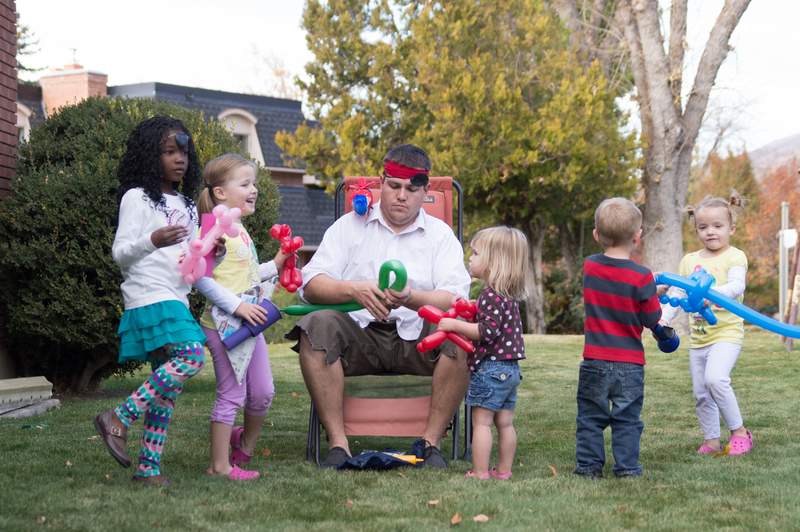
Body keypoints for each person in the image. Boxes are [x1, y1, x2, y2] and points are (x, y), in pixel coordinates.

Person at [285, 144, 472, 469]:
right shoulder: (349, 226)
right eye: (394, 186)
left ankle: (431, 445)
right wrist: (352, 290)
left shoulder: (440, 236)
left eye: (412, 189)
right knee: (314, 325)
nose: (402, 196)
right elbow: (309, 285)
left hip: (419, 341)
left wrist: (411, 297)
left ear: (425, 190)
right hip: (358, 334)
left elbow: (456, 299)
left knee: (457, 333)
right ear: (380, 184)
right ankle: (338, 446)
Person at [93, 117, 210, 487]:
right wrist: (153, 240)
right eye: (169, 151)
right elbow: (120, 254)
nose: (180, 160)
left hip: (175, 295)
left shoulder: (188, 204)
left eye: (184, 152)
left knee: (168, 391)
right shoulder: (137, 198)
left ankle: (148, 470)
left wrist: (214, 253)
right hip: (148, 293)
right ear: (150, 154)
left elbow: (194, 267)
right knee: (192, 356)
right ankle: (118, 417)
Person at [193, 154, 290, 480]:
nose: (254, 190)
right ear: (220, 193)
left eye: (254, 184)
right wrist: (237, 306)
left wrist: (274, 265)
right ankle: (219, 466)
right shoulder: (213, 231)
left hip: (249, 324)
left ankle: (243, 447)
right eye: (245, 184)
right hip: (223, 327)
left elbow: (246, 275)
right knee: (232, 394)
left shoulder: (238, 229)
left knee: (262, 393)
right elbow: (200, 278)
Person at [658, 192, 752, 456]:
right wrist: (664, 319)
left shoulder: (735, 256)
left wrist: (711, 295)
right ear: (697, 228)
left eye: (717, 226)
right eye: (703, 227)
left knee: (716, 380)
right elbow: (677, 293)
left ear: (731, 228)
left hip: (726, 334)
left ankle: (740, 433)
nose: (710, 232)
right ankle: (712, 441)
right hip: (699, 338)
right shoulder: (689, 261)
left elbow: (737, 285)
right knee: (701, 392)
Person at [574, 198, 662, 479]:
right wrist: (652, 288)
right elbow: (651, 319)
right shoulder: (642, 276)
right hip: (630, 364)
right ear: (637, 237)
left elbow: (614, 280)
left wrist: (648, 283)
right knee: (627, 420)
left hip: (594, 361)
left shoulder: (589, 266)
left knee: (590, 418)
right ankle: (627, 468)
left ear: (596, 236)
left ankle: (588, 468)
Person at [437, 226, 529, 480]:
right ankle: (503, 471)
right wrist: (467, 306)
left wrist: (454, 324)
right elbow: (490, 318)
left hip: (490, 369)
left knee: (481, 424)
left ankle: (479, 473)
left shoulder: (490, 294)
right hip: (510, 370)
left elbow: (486, 331)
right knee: (505, 424)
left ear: (492, 262)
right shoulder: (507, 295)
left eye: (476, 253)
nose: (470, 258)